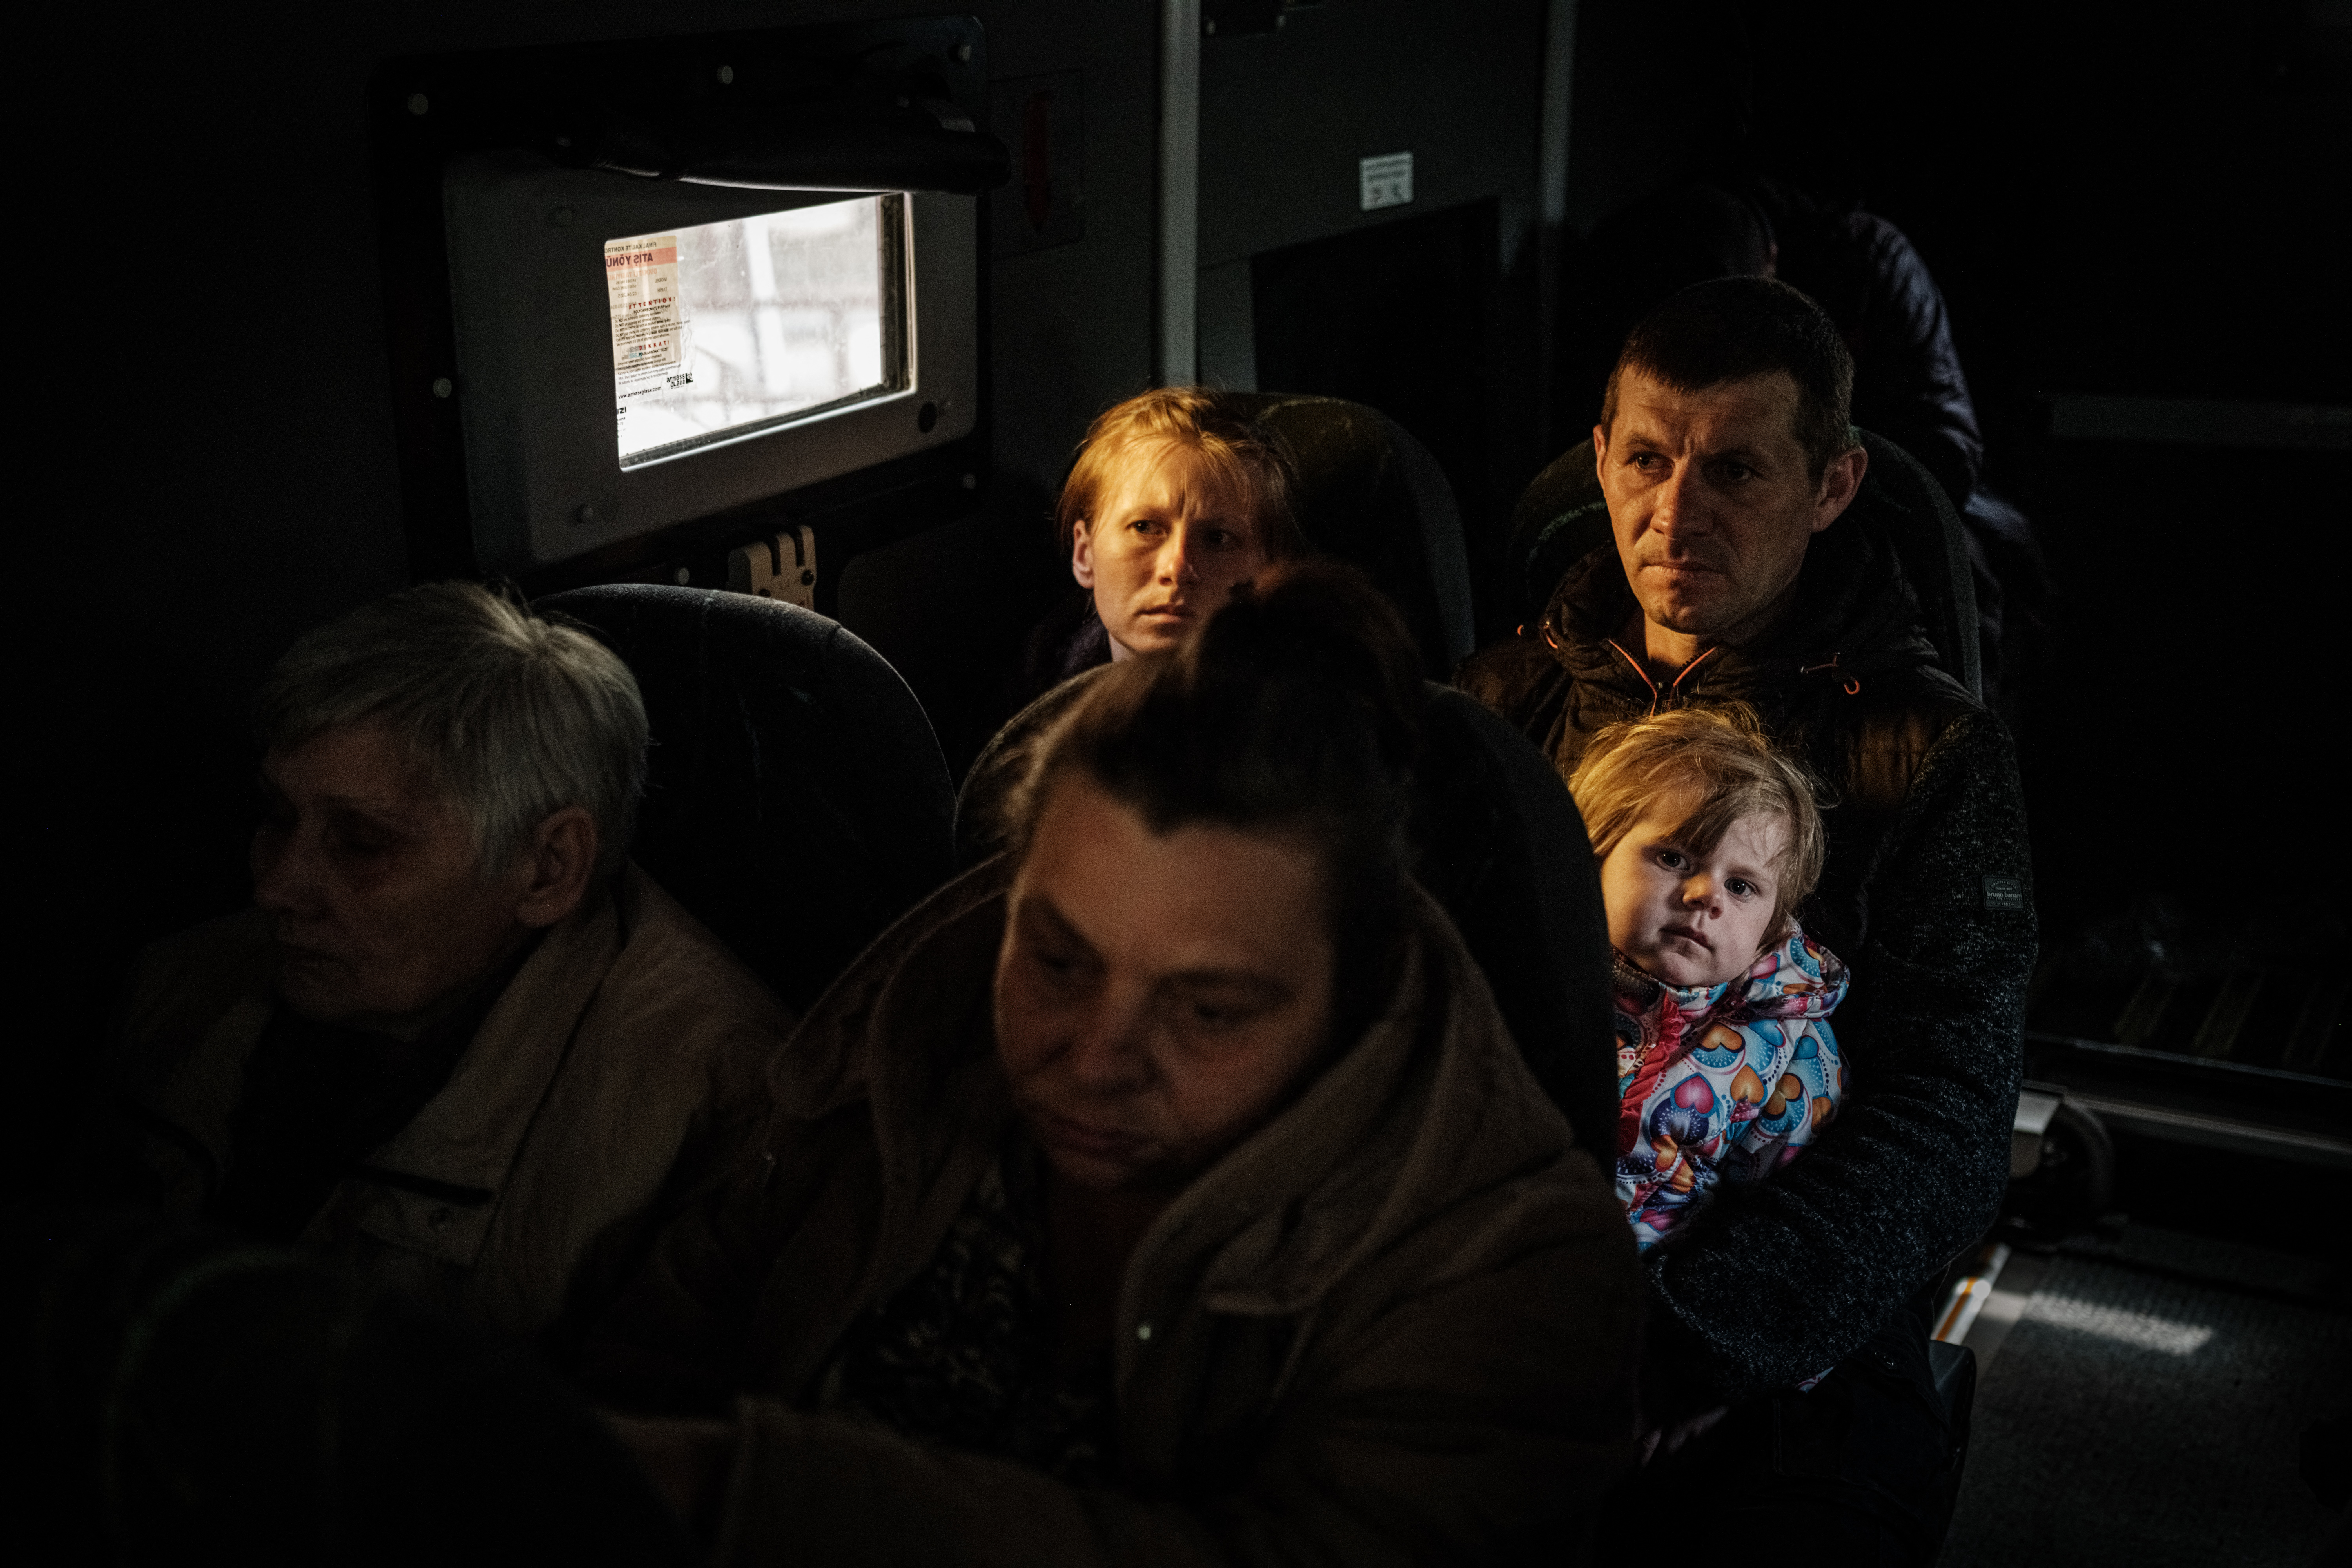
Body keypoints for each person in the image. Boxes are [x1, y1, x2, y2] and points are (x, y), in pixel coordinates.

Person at [580, 563, 1642, 1565]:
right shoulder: (906, 1052)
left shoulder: (1511, 1262)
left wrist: (751, 1495)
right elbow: (658, 1351)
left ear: (1359, 994)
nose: (1092, 1058)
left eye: (1208, 1009)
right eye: (1056, 961)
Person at [1461, 276, 2034, 1562]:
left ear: (1831, 488)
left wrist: (1693, 1342)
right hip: (1498, 1256)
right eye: (1649, 461)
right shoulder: (1498, 702)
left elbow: (1947, 1124)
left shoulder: (1926, 751)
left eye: (1735, 472)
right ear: (1598, 458)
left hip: (1780, 1296)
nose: (1675, 515)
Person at [96, 582, 792, 1338]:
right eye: (278, 816)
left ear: (548, 868)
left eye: (361, 841)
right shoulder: (185, 982)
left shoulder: (714, 1112)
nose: (273, 887)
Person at [1567, 704, 1846, 1253]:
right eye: (1673, 857)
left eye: (1742, 886)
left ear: (1773, 923)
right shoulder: (1533, 972)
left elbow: (1785, 1220)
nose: (1705, 896)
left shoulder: (1791, 1051)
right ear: (1593, 851)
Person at [1017, 386, 1308, 701]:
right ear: (1085, 555)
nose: (1177, 568)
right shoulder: (1024, 719)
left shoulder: (1303, 730)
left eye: (1217, 538)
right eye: (1144, 527)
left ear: (1273, 570)